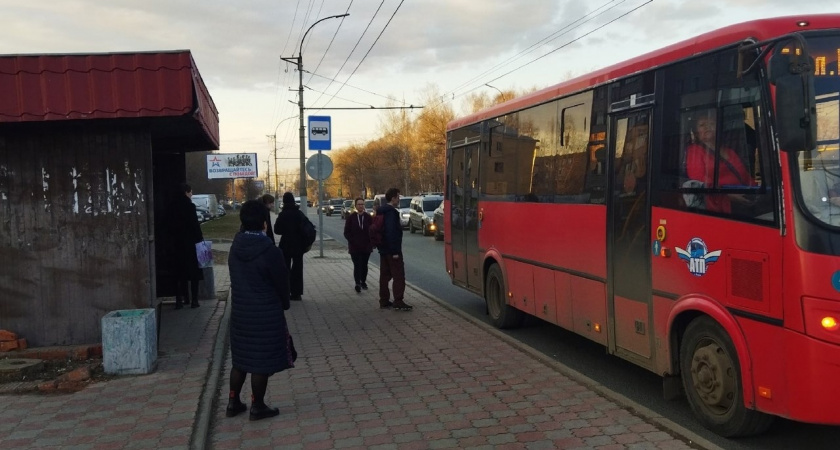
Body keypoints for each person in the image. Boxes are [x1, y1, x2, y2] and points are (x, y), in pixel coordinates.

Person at [226, 200, 294, 421]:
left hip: (240, 313)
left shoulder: (235, 248)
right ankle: (258, 406)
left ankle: (233, 402)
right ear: (265, 224)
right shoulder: (270, 251)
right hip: (265, 313)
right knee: (260, 362)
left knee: (240, 359)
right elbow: (282, 283)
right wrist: (285, 303)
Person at [685, 111, 753, 213]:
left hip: (743, 201)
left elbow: (744, 175)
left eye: (711, 123)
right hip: (718, 208)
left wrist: (754, 189)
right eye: (702, 125)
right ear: (696, 132)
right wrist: (727, 196)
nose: (707, 127)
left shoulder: (729, 151)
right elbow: (699, 181)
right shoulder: (694, 151)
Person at [376, 188, 413, 311]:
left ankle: (384, 300)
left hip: (383, 249)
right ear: (393, 198)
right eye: (398, 197)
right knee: (398, 275)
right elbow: (391, 233)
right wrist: (395, 252)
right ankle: (398, 300)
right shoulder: (391, 213)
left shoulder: (381, 211)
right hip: (392, 250)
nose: (399, 199)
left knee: (384, 276)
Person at [169, 182, 203, 309]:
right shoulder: (190, 207)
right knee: (193, 273)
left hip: (176, 245)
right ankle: (194, 300)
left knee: (179, 274)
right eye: (190, 192)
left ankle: (180, 300)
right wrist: (200, 241)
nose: (191, 194)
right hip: (190, 244)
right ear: (186, 192)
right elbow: (195, 225)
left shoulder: (171, 207)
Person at [273, 192, 313, 301]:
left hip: (285, 245)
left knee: (285, 269)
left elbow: (277, 230)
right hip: (298, 246)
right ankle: (297, 293)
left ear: (284, 201)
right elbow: (306, 228)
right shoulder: (298, 214)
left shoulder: (283, 215)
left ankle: (285, 292)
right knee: (297, 269)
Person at [343, 197, 373, 293]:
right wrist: (352, 240)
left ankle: (363, 281)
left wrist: (371, 242)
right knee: (357, 265)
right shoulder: (351, 218)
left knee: (364, 265)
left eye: (362, 204)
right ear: (355, 206)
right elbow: (346, 232)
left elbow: (372, 231)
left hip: (366, 246)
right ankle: (357, 283)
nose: (361, 206)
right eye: (359, 204)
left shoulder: (368, 217)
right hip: (354, 247)